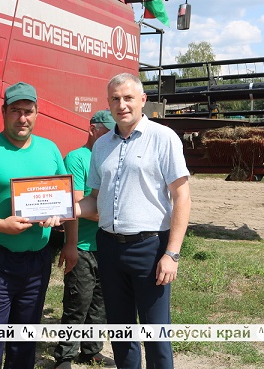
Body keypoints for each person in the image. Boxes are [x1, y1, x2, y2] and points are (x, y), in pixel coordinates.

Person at [0, 82, 78, 369]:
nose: (22, 118)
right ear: (3, 112)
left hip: (38, 260)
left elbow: (67, 199)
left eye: (28, 111)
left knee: (25, 337)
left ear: (37, 113)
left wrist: (70, 241)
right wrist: (1, 225)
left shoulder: (49, 149)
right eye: (15, 111)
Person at [77, 73, 192, 369]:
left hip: (150, 249)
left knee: (156, 333)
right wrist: (67, 210)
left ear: (143, 100)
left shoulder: (163, 138)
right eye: (115, 99)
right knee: (121, 332)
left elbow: (182, 196)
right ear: (108, 103)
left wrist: (172, 254)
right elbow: (95, 199)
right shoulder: (101, 146)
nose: (122, 105)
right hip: (108, 248)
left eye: (128, 98)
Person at [53, 111, 117, 369]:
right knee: (77, 302)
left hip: (108, 244)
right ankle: (64, 356)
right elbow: (76, 202)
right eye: (107, 130)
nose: (113, 135)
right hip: (83, 245)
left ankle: (91, 350)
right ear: (92, 129)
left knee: (100, 302)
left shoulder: (112, 156)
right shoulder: (77, 158)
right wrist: (71, 244)